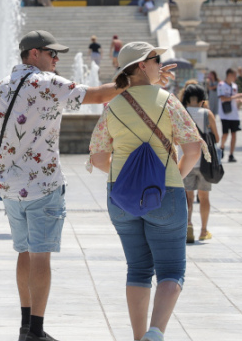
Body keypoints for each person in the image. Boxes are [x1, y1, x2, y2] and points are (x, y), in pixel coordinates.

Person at [0, 31, 132, 341]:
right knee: (40, 255)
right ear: (34, 54)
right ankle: (36, 330)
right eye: (52, 53)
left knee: (23, 251)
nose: (57, 59)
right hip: (43, 184)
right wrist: (133, 78)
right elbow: (100, 95)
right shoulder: (47, 83)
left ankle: (24, 327)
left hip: (8, 186)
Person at [89, 42, 201, 341]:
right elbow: (193, 148)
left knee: (137, 269)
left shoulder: (113, 106)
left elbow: (98, 158)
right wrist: (173, 175)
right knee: (172, 270)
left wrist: (127, 178)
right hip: (164, 193)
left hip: (121, 197)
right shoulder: (168, 101)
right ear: (142, 65)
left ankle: (139, 338)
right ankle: (155, 333)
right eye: (156, 59)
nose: (159, 64)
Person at [178, 83, 221, 245]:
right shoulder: (207, 114)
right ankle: (203, 231)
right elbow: (216, 138)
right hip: (204, 161)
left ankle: (188, 224)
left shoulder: (181, 113)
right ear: (202, 98)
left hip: (185, 160)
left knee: (188, 196)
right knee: (204, 197)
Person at [217, 69, 242, 163]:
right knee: (225, 133)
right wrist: (235, 97)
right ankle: (222, 146)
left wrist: (239, 100)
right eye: (234, 75)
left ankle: (231, 154)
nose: (235, 77)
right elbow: (223, 98)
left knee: (234, 134)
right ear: (229, 75)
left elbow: (233, 99)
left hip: (234, 114)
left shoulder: (234, 86)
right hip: (225, 114)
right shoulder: (221, 85)